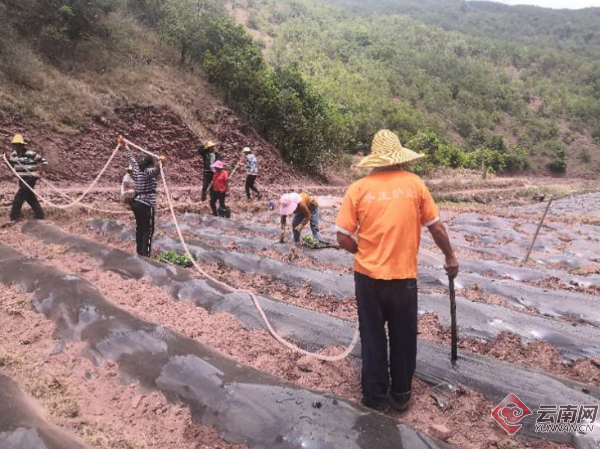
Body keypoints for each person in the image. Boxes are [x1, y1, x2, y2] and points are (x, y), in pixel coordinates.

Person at [335, 129, 459, 413]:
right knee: (404, 335)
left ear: (376, 160)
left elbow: (342, 236)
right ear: (400, 158)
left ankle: (375, 397)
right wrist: (450, 257)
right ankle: (401, 394)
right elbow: (436, 226)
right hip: (403, 278)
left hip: (367, 277)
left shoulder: (358, 188)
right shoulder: (414, 184)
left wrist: (360, 251)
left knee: (372, 335)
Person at [118, 136, 166, 257]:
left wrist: (125, 146)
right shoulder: (148, 171)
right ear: (150, 164)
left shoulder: (136, 169)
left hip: (136, 203)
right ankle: (146, 255)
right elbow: (157, 169)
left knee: (140, 227)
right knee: (148, 230)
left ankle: (139, 252)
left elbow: (131, 158)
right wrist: (162, 162)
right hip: (146, 204)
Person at [8, 134, 47, 221]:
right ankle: (40, 215)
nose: (16, 146)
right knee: (30, 197)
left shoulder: (30, 153)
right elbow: (11, 164)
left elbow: (44, 162)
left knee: (19, 196)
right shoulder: (14, 155)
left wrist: (39, 172)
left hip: (30, 178)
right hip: (21, 178)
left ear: (22, 145)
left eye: (18, 144)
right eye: (15, 144)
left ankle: (14, 217)